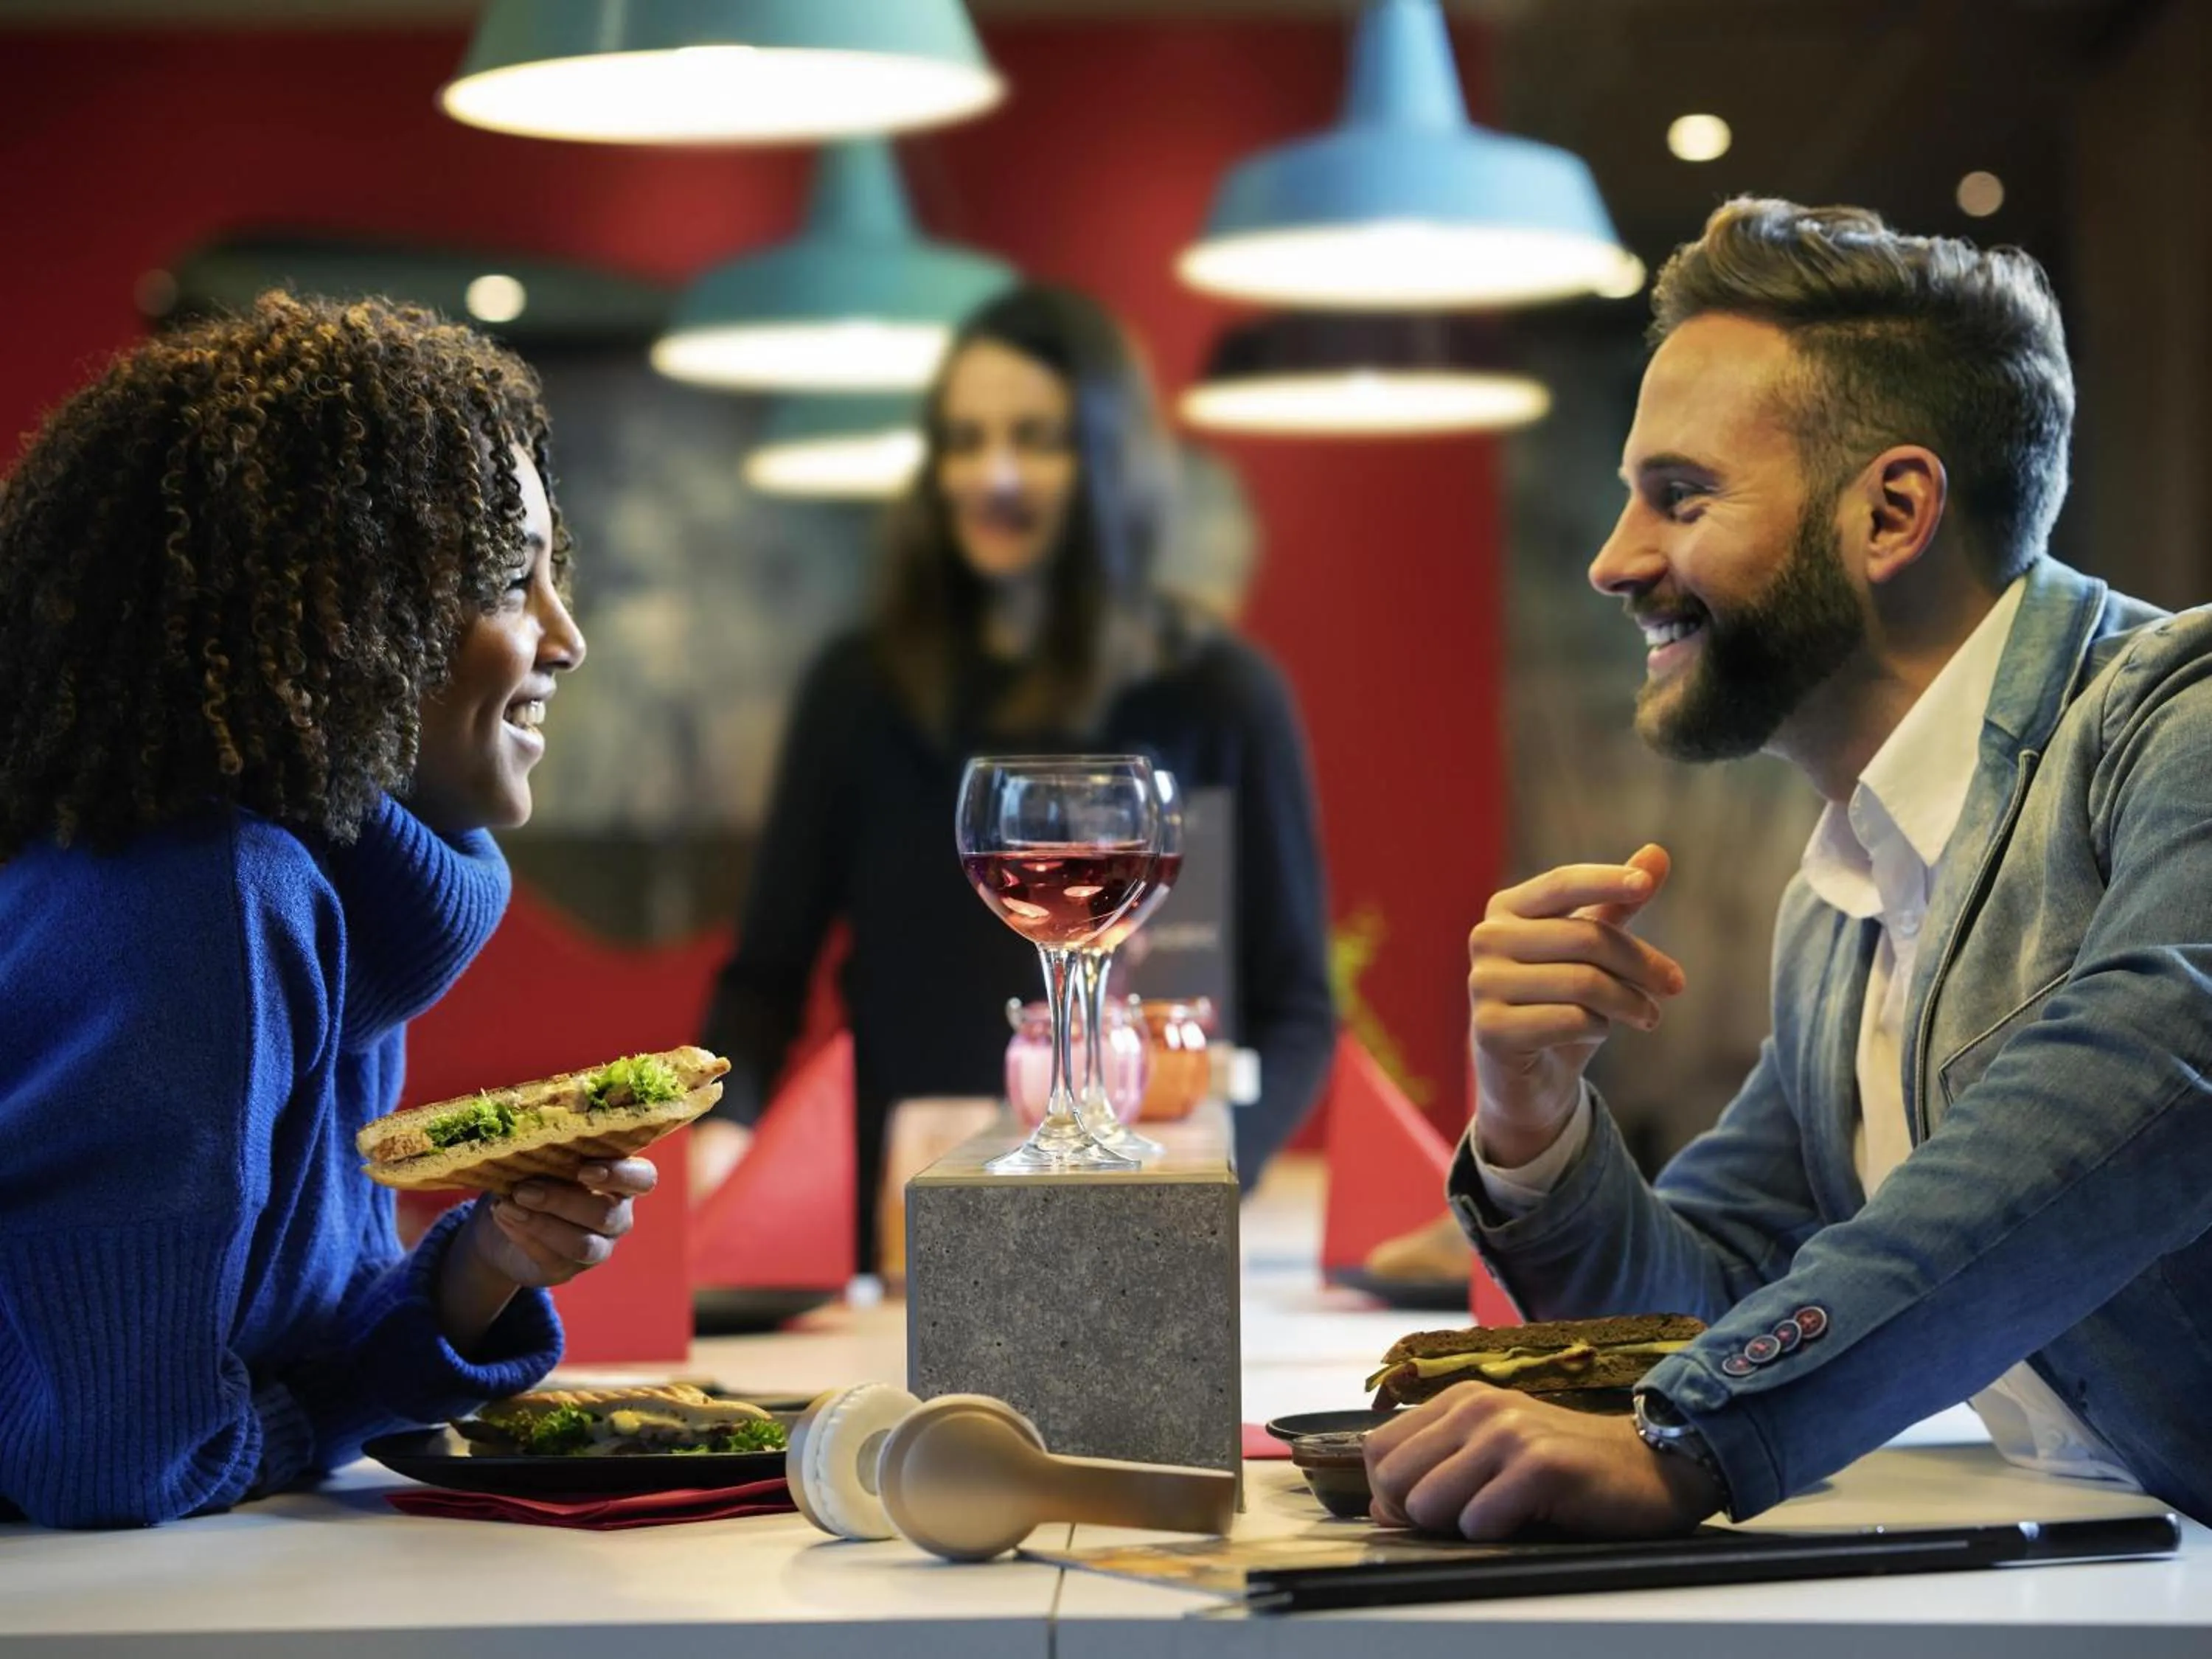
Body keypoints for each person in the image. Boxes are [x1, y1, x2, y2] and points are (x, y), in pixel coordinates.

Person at [1367, 198, 2212, 1538]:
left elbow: (2152, 1085)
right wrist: (1535, 1122)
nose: (1613, 561)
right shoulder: (1842, 902)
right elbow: (1702, 1317)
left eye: (1680, 496)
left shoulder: (2183, 719)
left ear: (1892, 512)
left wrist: (1700, 1437)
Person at [0, 293, 649, 1529]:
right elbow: (114, 1461)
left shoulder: (328, 884)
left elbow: (276, 1352)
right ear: (337, 614)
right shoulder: (205, 895)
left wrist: (486, 1264)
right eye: (506, 581)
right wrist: (300, 1425)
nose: (565, 637)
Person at [694, 285, 1336, 1265]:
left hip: (1139, 1225)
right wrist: (725, 1136)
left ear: (1110, 457)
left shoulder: (1224, 694)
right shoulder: (858, 689)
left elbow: (1298, 1011)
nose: (992, 475)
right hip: (904, 1229)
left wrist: (1196, 1181)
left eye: (1036, 439)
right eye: (965, 441)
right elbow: (762, 980)